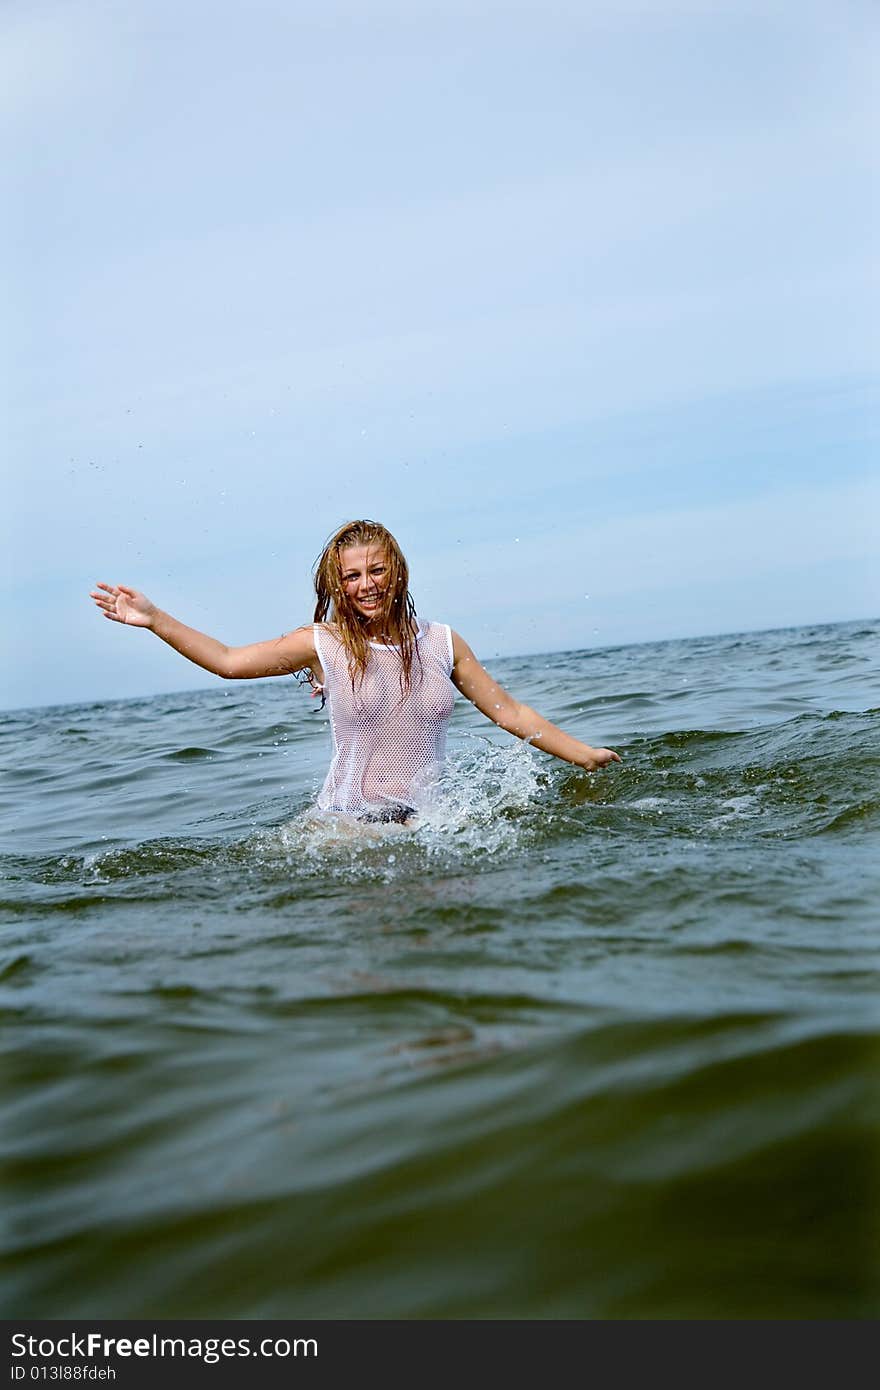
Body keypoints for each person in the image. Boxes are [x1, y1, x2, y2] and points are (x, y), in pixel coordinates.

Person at [90, 519, 620, 822]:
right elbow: (228, 662)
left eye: (376, 570)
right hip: (350, 824)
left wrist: (586, 756)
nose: (365, 584)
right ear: (338, 585)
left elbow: (510, 712)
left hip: (428, 824)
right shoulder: (325, 645)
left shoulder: (441, 642)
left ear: (397, 573)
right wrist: (156, 619)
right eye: (351, 576)